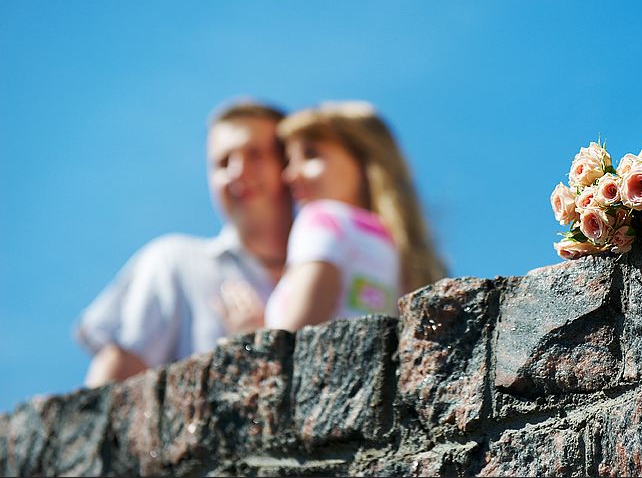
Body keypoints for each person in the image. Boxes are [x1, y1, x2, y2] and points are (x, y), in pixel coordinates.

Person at [75, 99, 293, 386]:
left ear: (289, 164)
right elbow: (113, 379)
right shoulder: (174, 262)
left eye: (256, 155)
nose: (237, 172)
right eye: (222, 162)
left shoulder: (333, 266)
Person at [223, 100, 445, 333]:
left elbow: (293, 340)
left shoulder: (322, 219)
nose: (290, 175)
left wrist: (250, 336)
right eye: (289, 160)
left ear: (362, 160)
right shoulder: (401, 246)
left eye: (311, 155)